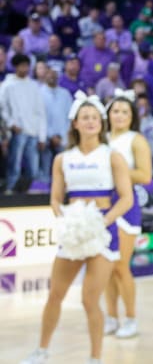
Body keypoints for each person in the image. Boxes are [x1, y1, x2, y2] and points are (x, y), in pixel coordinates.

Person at [21, 93, 133, 364]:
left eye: (95, 118)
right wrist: (65, 218)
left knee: (88, 298)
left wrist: (103, 221)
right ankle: (42, 350)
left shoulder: (112, 156)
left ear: (101, 123)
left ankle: (95, 357)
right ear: (75, 124)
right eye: (85, 118)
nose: (91, 122)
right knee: (55, 294)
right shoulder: (63, 159)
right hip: (73, 231)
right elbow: (56, 199)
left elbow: (127, 198)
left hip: (102, 231)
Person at [103, 89, 153, 339]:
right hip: (102, 204)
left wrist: (114, 168)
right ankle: (111, 317)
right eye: (115, 110)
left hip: (126, 203)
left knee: (121, 265)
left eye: (124, 111)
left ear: (132, 115)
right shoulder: (100, 138)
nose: (120, 115)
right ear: (108, 113)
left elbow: (145, 175)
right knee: (105, 267)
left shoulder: (136, 139)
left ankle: (131, 318)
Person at [0, 54, 46, 194]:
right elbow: (2, 107)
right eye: (22, 65)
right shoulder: (7, 85)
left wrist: (42, 136)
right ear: (15, 67)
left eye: (27, 65)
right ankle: (9, 191)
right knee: (14, 166)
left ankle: (23, 190)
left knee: (33, 169)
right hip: (17, 132)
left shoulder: (34, 86)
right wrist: (11, 124)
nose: (25, 68)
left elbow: (40, 112)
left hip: (33, 132)